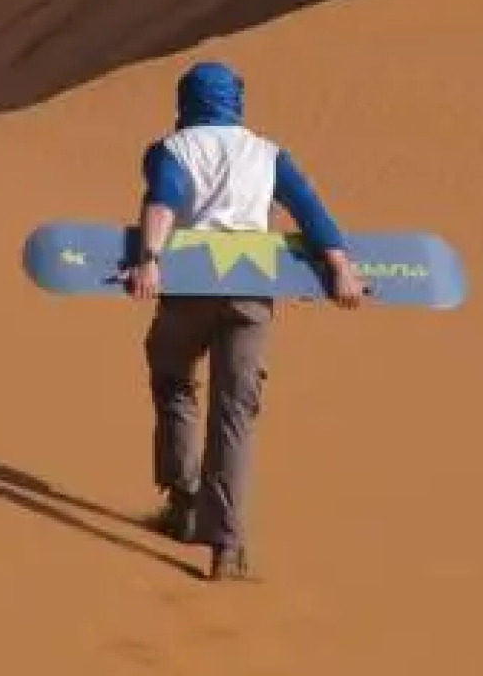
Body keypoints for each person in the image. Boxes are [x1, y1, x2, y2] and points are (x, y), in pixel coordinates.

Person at [121, 60, 364, 581]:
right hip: (252, 295)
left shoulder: (171, 149)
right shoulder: (267, 153)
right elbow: (311, 212)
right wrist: (340, 268)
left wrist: (149, 259)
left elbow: (162, 200)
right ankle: (226, 550)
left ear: (187, 101)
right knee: (234, 414)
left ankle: (184, 502)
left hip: (188, 291)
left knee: (172, 378)